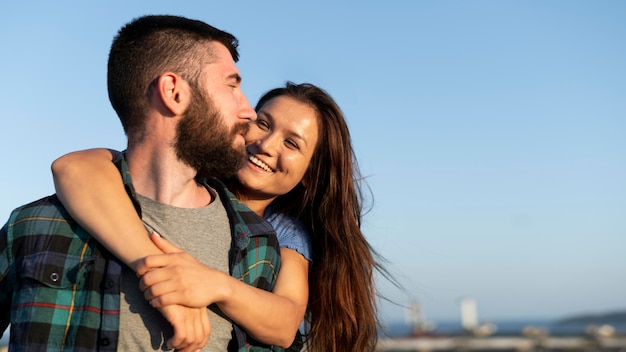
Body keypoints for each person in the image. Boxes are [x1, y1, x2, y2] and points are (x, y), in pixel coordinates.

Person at [0, 15, 282, 352]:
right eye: (232, 85)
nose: (249, 111)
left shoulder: (257, 243)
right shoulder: (37, 225)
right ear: (173, 92)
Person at [50, 82, 382, 351]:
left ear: (311, 174)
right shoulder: (184, 180)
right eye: (262, 123)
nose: (266, 144)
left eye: (292, 143)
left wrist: (211, 284)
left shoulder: (283, 232)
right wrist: (163, 275)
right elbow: (73, 168)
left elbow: (284, 324)